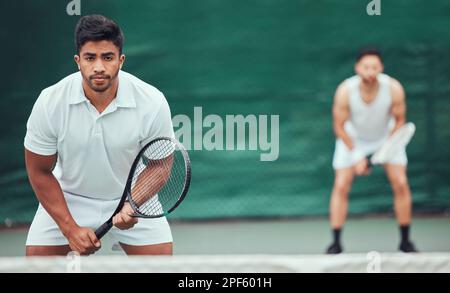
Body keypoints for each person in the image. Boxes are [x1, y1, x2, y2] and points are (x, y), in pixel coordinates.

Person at [24, 14, 174, 256]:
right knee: (35, 265)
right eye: (90, 58)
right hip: (69, 198)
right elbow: (38, 170)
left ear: (121, 60)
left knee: (163, 268)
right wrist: (69, 228)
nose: (99, 67)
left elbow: (161, 164)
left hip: (132, 197)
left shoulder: (152, 101)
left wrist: (132, 205)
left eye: (107, 57)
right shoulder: (50, 102)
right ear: (78, 60)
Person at [326, 48, 418, 254]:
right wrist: (357, 156)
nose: (370, 71)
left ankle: (405, 241)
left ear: (381, 68)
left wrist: (385, 149)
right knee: (341, 185)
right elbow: (339, 127)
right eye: (366, 67)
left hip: (386, 138)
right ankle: (336, 243)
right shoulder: (345, 90)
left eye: (374, 67)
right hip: (352, 139)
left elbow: (400, 120)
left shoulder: (393, 88)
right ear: (358, 68)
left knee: (401, 183)